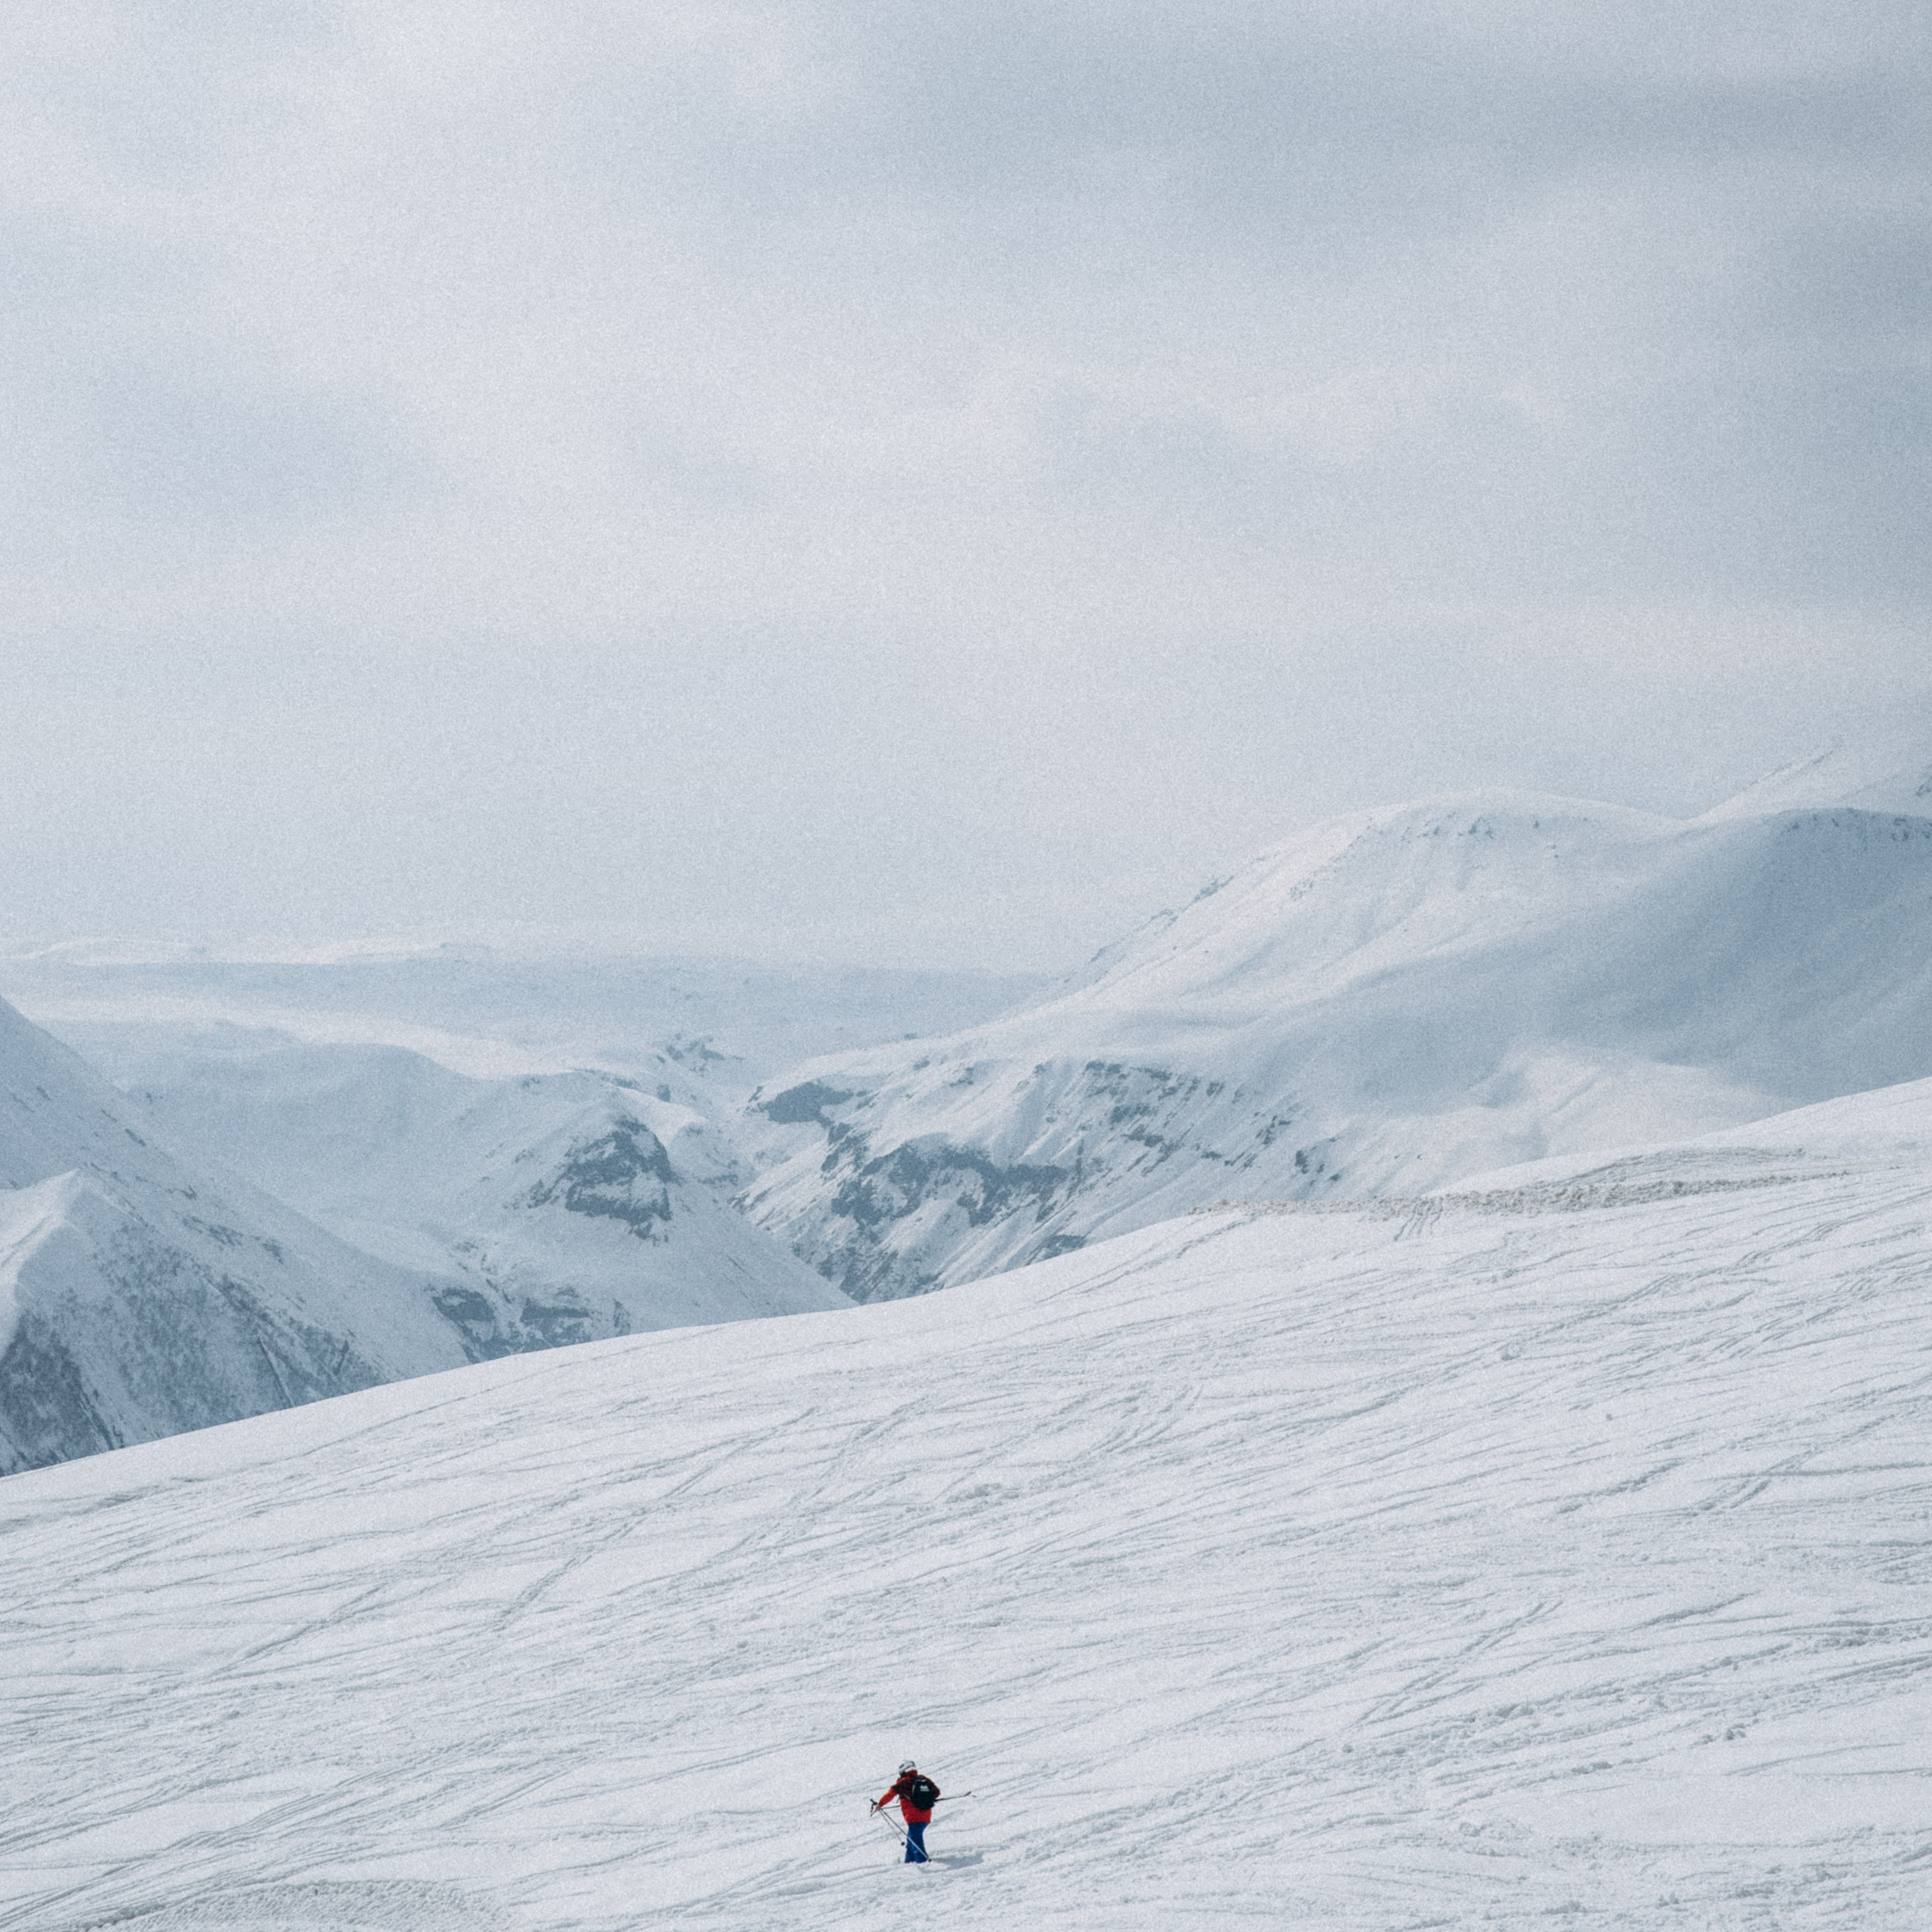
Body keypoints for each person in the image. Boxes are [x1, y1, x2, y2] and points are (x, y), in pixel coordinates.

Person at [872, 1760, 940, 1863]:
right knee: (911, 1841)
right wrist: (924, 1799)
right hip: (926, 1816)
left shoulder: (904, 1782)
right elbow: (937, 1793)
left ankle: (923, 1862)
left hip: (914, 1817)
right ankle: (909, 1863)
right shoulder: (924, 1779)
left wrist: (880, 1804)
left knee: (916, 1843)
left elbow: (890, 1794)